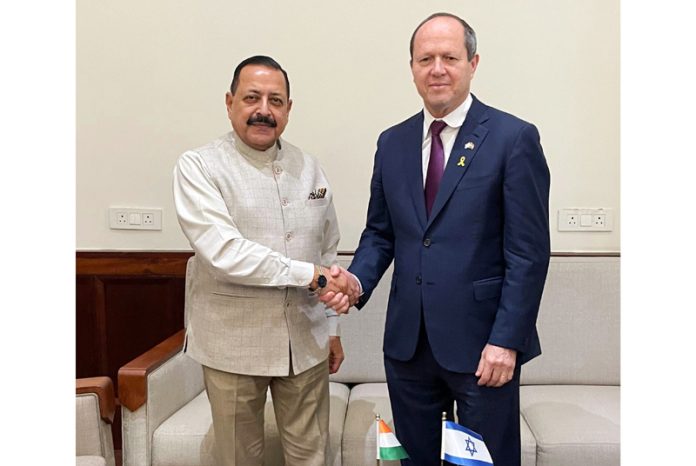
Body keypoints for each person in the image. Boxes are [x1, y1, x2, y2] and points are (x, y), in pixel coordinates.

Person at [321, 12, 551, 466]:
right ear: (412, 68)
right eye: (425, 58)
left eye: (449, 57)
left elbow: (528, 254)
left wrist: (507, 340)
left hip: (484, 346)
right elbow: (381, 233)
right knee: (414, 460)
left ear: (473, 63)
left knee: (487, 462)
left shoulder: (513, 138)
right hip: (409, 345)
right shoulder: (393, 142)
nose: (437, 68)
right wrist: (356, 280)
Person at [173, 55, 352, 466]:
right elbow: (224, 253)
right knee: (238, 458)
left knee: (312, 456)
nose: (263, 111)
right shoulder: (199, 166)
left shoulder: (310, 167)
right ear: (230, 101)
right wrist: (314, 276)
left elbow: (328, 248)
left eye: (275, 100)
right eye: (252, 98)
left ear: (289, 108)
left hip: (305, 344)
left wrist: (333, 328)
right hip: (232, 346)